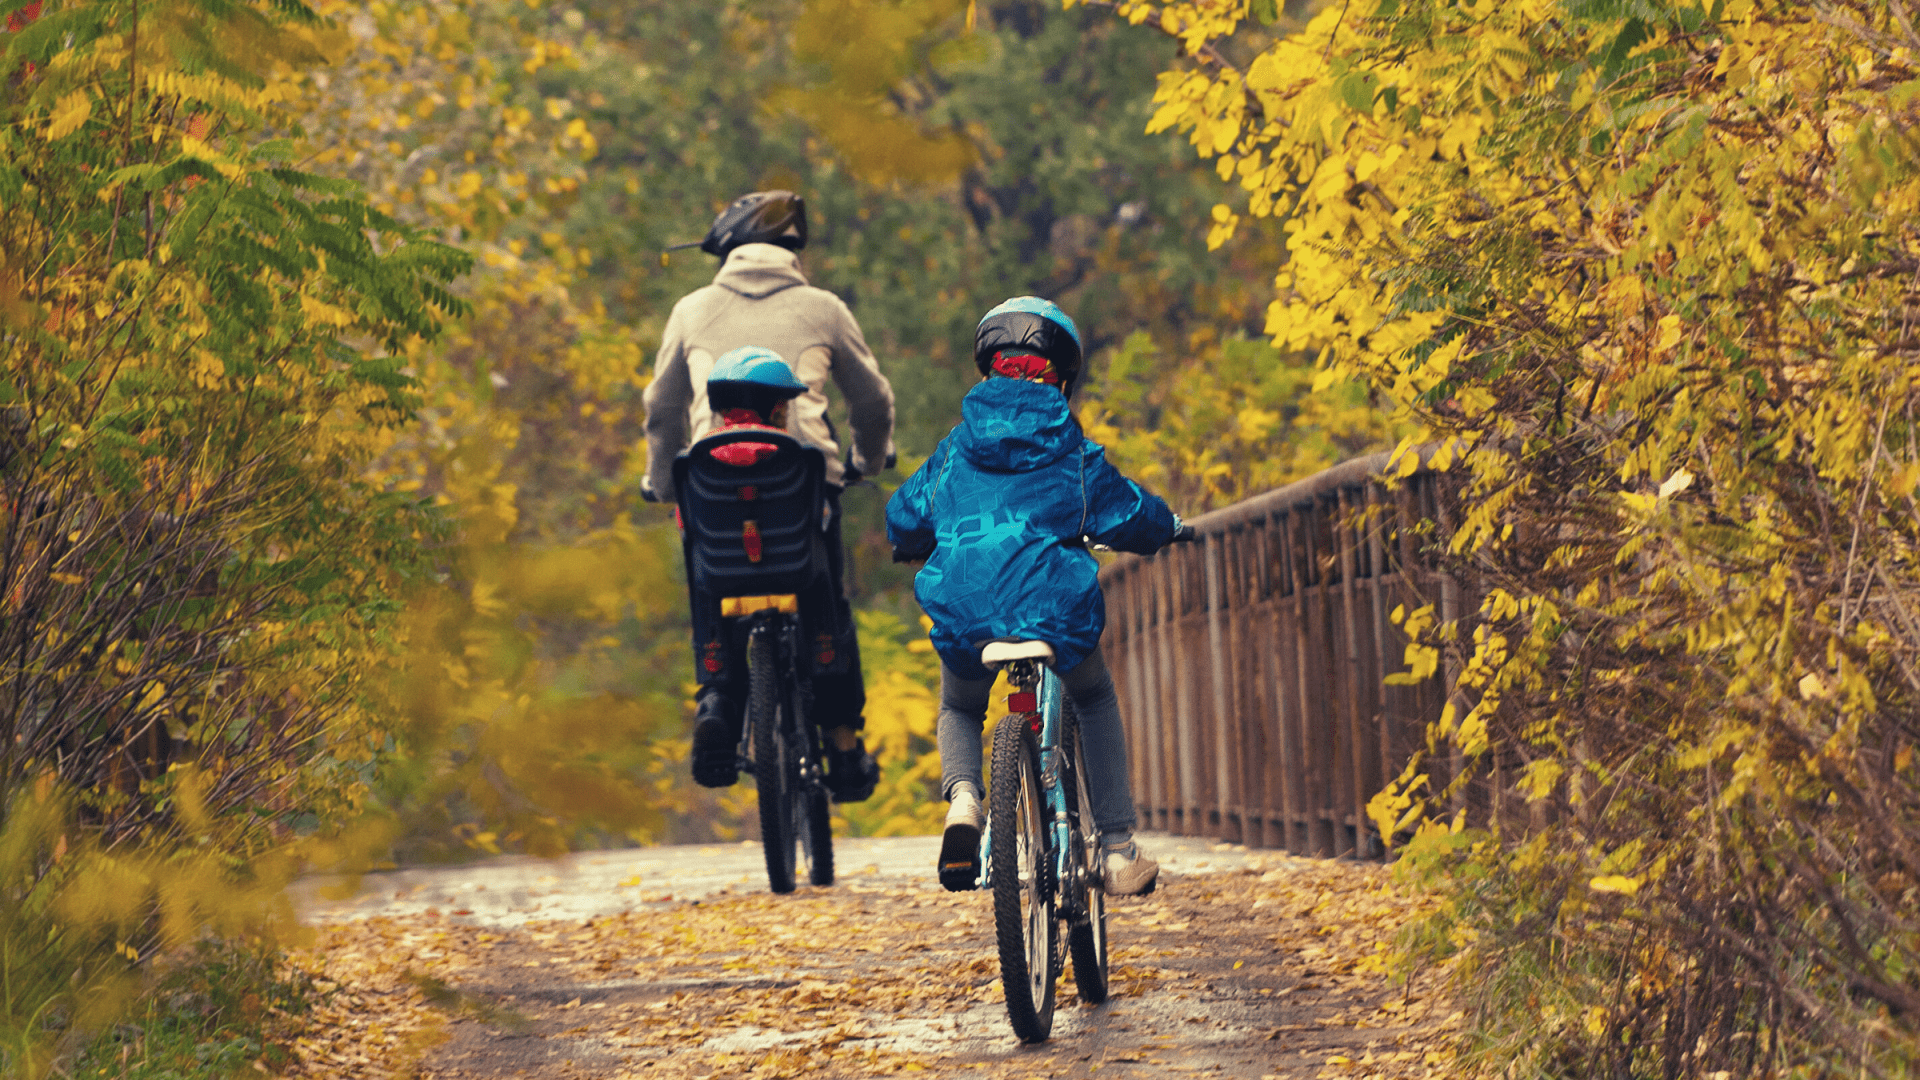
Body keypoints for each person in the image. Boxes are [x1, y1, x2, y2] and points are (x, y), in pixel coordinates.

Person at [884, 297, 1180, 896]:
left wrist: (915, 541)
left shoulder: (954, 449)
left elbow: (904, 515)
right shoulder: (1071, 451)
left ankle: (965, 800)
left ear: (987, 367)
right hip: (1052, 610)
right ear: (1063, 379)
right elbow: (1128, 513)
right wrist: (1168, 526)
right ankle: (1118, 848)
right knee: (1093, 696)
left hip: (966, 612)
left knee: (962, 706)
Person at [642, 191, 894, 801]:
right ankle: (840, 739)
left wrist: (664, 478)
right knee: (825, 593)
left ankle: (717, 702)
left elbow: (661, 406)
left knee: (710, 579)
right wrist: (865, 458)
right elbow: (872, 400)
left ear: (726, 247)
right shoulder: (824, 308)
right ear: (791, 250)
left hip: (712, 476)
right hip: (803, 476)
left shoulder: (692, 309)